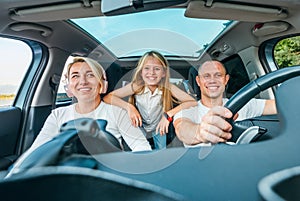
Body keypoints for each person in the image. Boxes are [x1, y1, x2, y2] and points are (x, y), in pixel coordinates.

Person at [30, 56, 152, 152]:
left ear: (102, 85)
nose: (83, 81)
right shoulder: (57, 115)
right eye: (75, 76)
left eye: (90, 75)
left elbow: (141, 147)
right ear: (69, 87)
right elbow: (36, 152)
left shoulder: (118, 113)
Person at [103, 51, 197, 149]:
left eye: (157, 69)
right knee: (140, 150)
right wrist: (129, 107)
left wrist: (168, 115)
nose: (151, 73)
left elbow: (192, 102)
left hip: (159, 127)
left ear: (164, 73)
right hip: (140, 126)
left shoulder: (169, 87)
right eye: (147, 68)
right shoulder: (137, 86)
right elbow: (108, 97)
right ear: (141, 71)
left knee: (162, 153)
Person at [173, 60, 277, 146]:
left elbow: (279, 105)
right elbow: (182, 129)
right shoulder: (187, 111)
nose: (212, 80)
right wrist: (200, 132)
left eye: (218, 75)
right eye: (206, 76)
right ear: (198, 81)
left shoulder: (243, 104)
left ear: (226, 79)